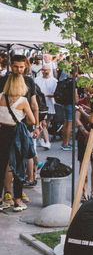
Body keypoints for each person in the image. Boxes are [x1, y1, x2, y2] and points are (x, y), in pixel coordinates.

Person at [0, 55, 39, 208]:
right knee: (18, 166)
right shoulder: (21, 98)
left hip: (7, 130)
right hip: (17, 130)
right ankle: (16, 199)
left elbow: (35, 104)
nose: (18, 70)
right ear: (11, 65)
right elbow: (31, 116)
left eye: (21, 67)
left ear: (26, 66)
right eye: (16, 67)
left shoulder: (29, 81)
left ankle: (7, 198)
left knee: (3, 164)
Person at [34, 64, 57, 150]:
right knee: (43, 124)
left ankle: (42, 139)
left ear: (50, 70)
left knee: (46, 124)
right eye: (43, 70)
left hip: (49, 105)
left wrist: (45, 95)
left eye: (46, 70)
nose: (44, 72)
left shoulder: (54, 81)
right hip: (39, 105)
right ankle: (46, 142)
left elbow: (55, 94)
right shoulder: (36, 79)